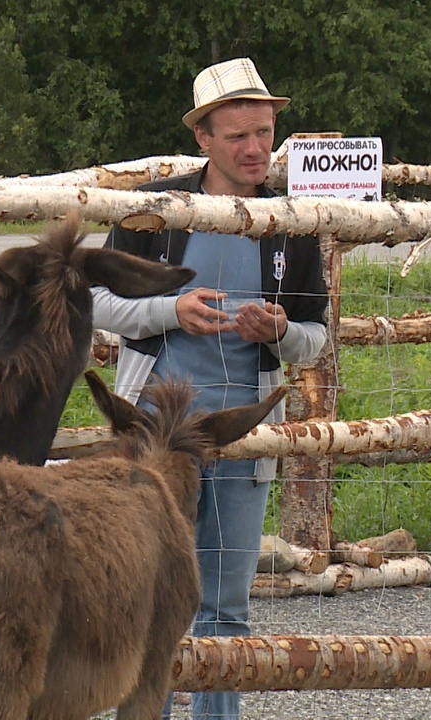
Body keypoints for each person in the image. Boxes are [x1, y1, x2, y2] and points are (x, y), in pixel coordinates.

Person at [91, 57, 328, 720]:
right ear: (204, 139)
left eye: (265, 132)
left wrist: (279, 332)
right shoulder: (156, 212)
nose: (256, 149)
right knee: (147, 595)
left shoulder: (292, 222)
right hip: (156, 438)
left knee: (226, 603)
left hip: (244, 437)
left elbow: (319, 336)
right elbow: (97, 302)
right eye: (239, 136)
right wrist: (171, 311)